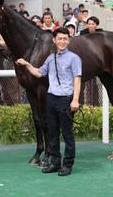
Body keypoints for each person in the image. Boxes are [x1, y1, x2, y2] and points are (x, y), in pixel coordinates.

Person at [16, 27, 81, 176]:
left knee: (67, 134)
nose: (62, 41)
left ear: (69, 40)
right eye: (60, 39)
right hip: (51, 98)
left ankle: (68, 164)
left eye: (65, 39)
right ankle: (55, 163)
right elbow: (39, 73)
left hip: (66, 99)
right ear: (54, 40)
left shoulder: (74, 58)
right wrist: (27, 64)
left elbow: (77, 80)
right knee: (52, 133)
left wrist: (75, 100)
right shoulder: (51, 58)